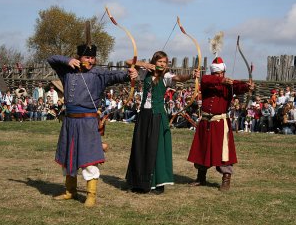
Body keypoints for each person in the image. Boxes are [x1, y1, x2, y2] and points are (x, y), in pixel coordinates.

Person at [47, 42, 138, 207]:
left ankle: (91, 195)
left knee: (89, 158)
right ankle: (70, 191)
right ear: (79, 58)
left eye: (92, 57)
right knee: (69, 156)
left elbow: (117, 76)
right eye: (87, 57)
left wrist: (129, 74)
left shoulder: (99, 74)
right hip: (69, 122)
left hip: (88, 122)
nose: (90, 60)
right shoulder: (67, 71)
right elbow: (51, 59)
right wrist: (67, 60)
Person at [125, 50, 199, 194]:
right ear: (154, 62)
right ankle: (139, 182)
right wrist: (146, 65)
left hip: (157, 116)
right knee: (141, 147)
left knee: (156, 148)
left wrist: (190, 75)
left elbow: (180, 77)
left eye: (164, 62)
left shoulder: (166, 76)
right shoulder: (145, 73)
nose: (162, 64)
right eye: (159, 62)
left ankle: (158, 184)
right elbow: (129, 62)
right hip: (144, 115)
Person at [187, 57, 254, 191]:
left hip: (220, 123)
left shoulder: (230, 84)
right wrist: (221, 80)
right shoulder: (207, 81)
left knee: (224, 152)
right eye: (217, 73)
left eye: (222, 73)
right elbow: (205, 79)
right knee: (202, 150)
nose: (220, 75)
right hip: (206, 121)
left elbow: (238, 86)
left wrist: (247, 86)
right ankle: (201, 178)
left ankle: (226, 179)